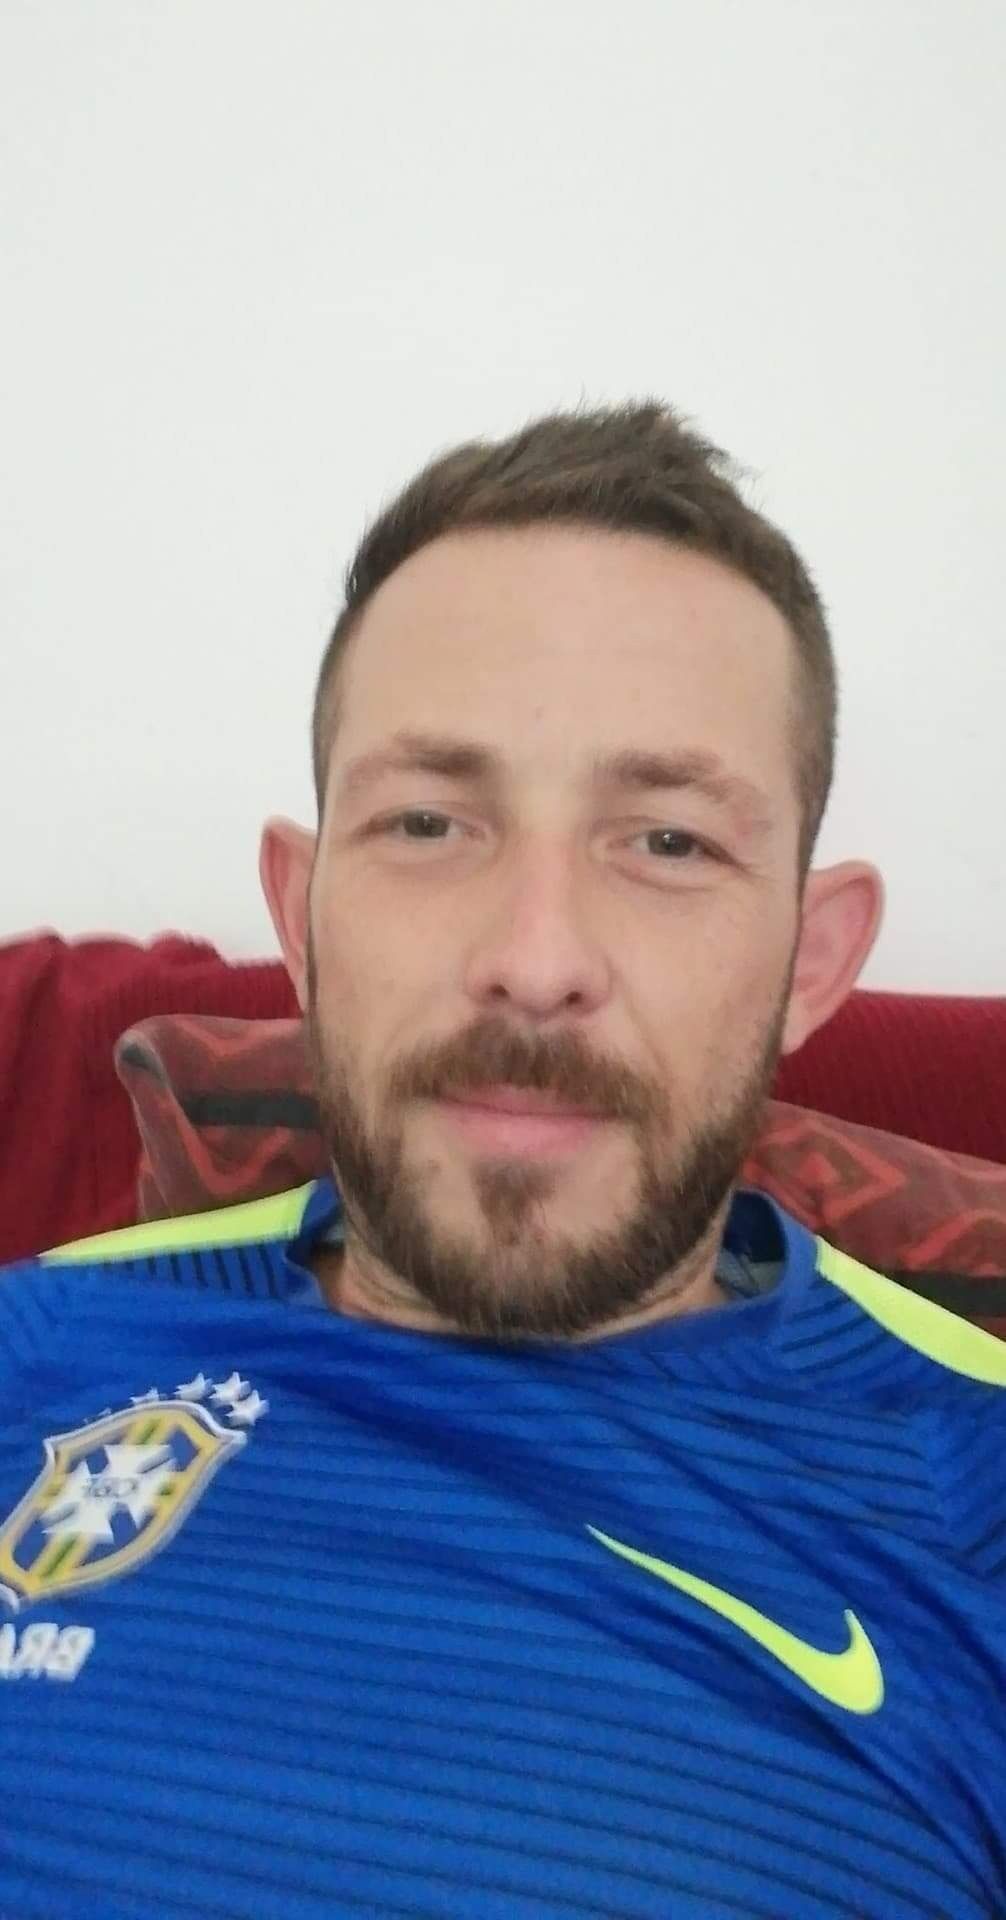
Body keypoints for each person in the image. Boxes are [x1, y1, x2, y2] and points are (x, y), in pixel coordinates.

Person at [0, 401, 1002, 1920]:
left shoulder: (974, 1487)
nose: (535, 962)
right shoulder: (36, 1343)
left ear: (813, 961)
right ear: (301, 916)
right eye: (426, 823)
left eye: (667, 842)